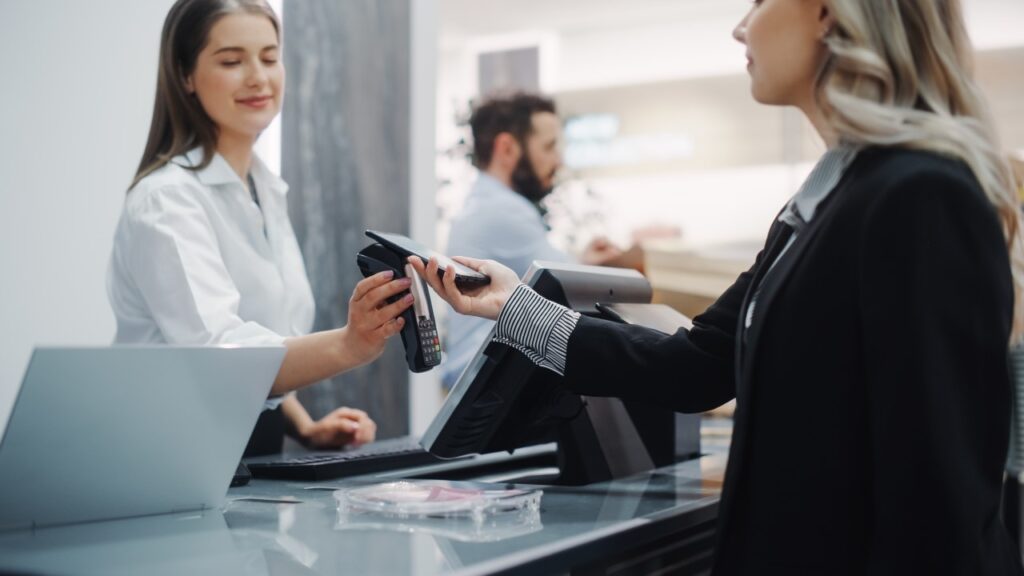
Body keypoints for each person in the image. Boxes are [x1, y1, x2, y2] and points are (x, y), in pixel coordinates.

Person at [414, 0, 1024, 573]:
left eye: (759, 2)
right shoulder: (819, 207)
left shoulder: (921, 197)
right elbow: (694, 365)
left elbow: (935, 501)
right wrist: (514, 308)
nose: (741, 28)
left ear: (827, 12)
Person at [107, 0, 412, 454]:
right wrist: (350, 344)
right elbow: (221, 355)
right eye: (232, 61)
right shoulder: (166, 200)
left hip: (248, 444)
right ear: (185, 75)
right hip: (171, 452)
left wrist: (303, 427)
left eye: (270, 57)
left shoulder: (263, 188)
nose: (258, 77)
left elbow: (261, 337)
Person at [442, 93, 635, 388]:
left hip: (480, 378)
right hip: (487, 383)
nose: (558, 160)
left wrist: (580, 263)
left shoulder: (486, 202)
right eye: (548, 147)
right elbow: (565, 286)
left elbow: (547, 273)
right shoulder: (504, 209)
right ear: (506, 148)